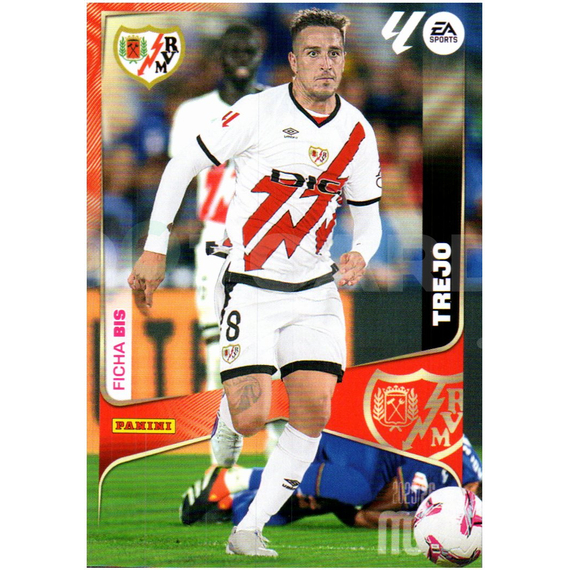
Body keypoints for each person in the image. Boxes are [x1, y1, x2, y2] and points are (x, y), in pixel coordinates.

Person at [128, 7, 383, 556]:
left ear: (344, 60)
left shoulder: (358, 132)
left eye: (334, 53)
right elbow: (180, 166)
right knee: (250, 417)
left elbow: (370, 220)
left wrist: (361, 253)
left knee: (313, 412)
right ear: (292, 61)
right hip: (251, 284)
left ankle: (250, 528)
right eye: (313, 53)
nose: (325, 63)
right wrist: (154, 247)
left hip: (316, 292)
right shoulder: (257, 111)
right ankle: (226, 421)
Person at [168, 23, 264, 392]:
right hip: (215, 236)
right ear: (219, 56)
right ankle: (216, 428)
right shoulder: (193, 113)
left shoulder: (279, 107)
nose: (242, 59)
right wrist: (164, 234)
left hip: (266, 240)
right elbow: (177, 178)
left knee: (266, 351)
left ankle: (271, 428)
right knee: (216, 351)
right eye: (234, 50)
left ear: (259, 55)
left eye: (249, 51)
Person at [180, 433, 482, 529]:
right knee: (358, 489)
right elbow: (372, 511)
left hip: (357, 459)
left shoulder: (465, 479)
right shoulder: (444, 467)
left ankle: (231, 505)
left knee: (294, 508)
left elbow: (364, 516)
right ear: (473, 489)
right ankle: (235, 478)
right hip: (356, 437)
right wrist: (422, 524)